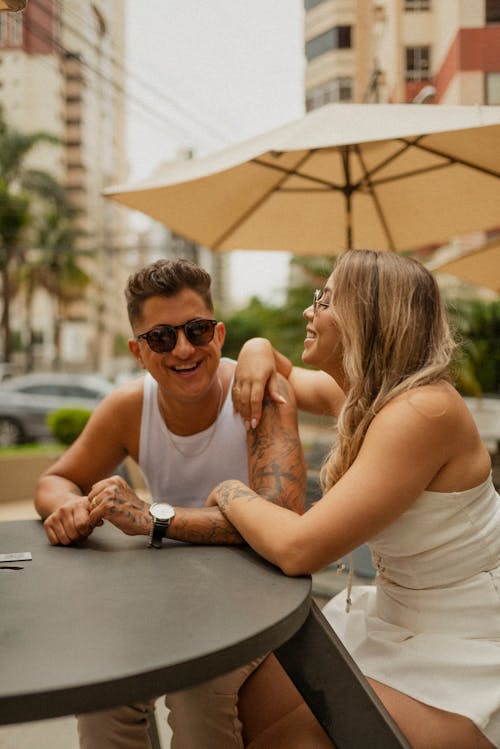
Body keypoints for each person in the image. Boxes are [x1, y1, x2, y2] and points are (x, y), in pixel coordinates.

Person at [205, 249, 500, 749]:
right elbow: (286, 374)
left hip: (467, 644)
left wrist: (226, 491)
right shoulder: (368, 395)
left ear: (367, 314)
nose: (308, 310)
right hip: (393, 620)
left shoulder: (422, 411)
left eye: (324, 299)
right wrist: (255, 346)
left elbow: (301, 549)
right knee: (256, 696)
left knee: (298, 732)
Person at [35, 258, 306, 749]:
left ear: (219, 335)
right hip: (168, 598)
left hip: (257, 595)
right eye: (162, 338)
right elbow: (56, 479)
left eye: (197, 330)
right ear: (139, 352)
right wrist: (67, 507)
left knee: (198, 691)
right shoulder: (128, 406)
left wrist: (152, 519)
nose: (183, 349)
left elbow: (283, 519)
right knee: (102, 692)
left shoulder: (261, 394)